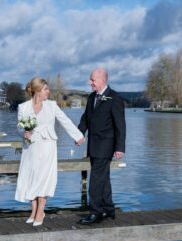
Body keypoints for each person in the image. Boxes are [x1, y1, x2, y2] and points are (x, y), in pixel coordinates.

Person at [15, 77, 84, 226]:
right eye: (46, 89)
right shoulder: (23, 107)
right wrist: (23, 132)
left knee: (44, 177)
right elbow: (19, 127)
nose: (48, 92)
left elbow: (64, 120)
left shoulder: (52, 106)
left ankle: (41, 211)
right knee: (31, 177)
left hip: (48, 146)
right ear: (37, 91)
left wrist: (78, 136)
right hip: (30, 147)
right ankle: (33, 210)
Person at [78, 68, 126, 224]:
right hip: (93, 145)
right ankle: (108, 209)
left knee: (96, 180)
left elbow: (120, 125)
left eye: (92, 80)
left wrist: (120, 148)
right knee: (103, 178)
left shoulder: (115, 98)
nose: (90, 82)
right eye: (90, 79)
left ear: (102, 80)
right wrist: (79, 134)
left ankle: (96, 212)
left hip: (106, 145)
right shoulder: (92, 97)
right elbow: (86, 118)